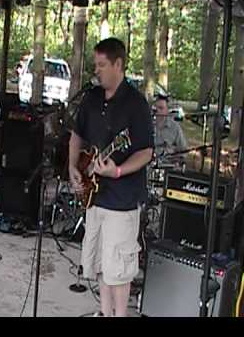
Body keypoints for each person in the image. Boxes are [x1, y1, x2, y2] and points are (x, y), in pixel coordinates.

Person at [68, 38, 154, 317]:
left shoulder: (136, 104)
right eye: (96, 65)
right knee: (102, 265)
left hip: (122, 200)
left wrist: (116, 170)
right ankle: (104, 313)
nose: (98, 70)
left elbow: (145, 152)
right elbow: (77, 135)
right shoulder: (92, 97)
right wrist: (73, 167)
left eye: (102, 65)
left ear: (119, 64)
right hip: (95, 196)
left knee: (120, 270)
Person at [153, 95, 188, 160]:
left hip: (167, 165)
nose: (157, 111)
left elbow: (183, 150)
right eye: (155, 108)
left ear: (167, 110)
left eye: (161, 108)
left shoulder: (175, 127)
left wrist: (177, 161)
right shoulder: (147, 125)